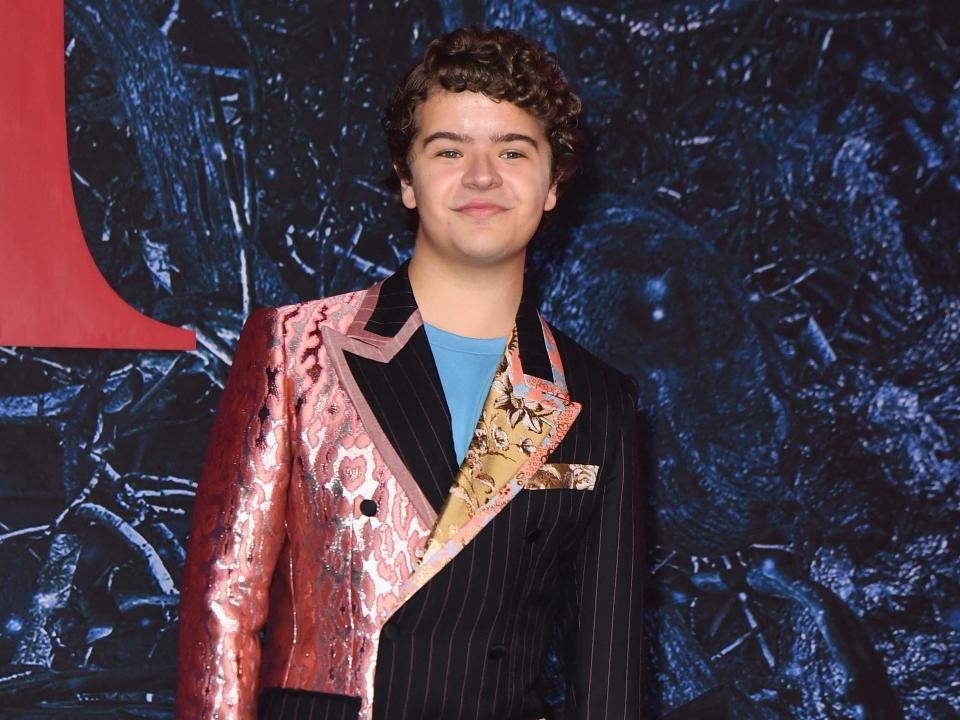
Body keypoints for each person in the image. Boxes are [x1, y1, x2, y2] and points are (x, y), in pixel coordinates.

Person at [177, 26, 643, 720]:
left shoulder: (596, 399)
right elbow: (224, 612)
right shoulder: (297, 348)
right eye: (449, 149)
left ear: (553, 185)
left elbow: (612, 672)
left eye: (513, 151)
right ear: (406, 180)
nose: (482, 175)